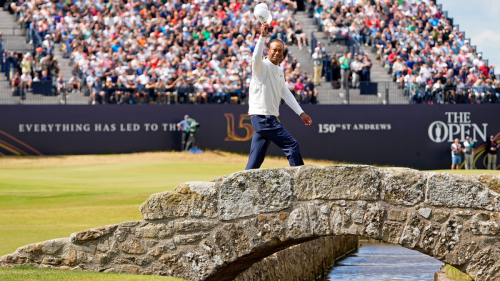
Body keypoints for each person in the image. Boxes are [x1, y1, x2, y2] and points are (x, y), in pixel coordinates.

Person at [245, 22, 312, 170]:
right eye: (274, 50)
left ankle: (240, 190)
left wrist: (300, 112)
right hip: (264, 119)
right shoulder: (261, 67)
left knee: (255, 161)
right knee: (292, 145)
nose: (277, 53)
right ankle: (300, 183)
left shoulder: (279, 71)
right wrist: (262, 37)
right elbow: (255, 58)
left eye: (280, 51)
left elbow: (286, 94)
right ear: (267, 50)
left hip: (265, 120)